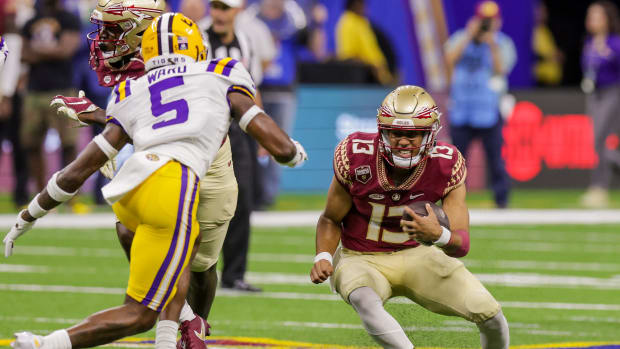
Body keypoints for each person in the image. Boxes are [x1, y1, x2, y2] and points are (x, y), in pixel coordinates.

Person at [4, 12, 307, 349]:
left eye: (114, 30)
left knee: (177, 257)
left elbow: (82, 167)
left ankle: (179, 327)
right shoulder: (220, 72)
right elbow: (258, 128)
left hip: (139, 184)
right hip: (173, 181)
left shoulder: (130, 89)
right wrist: (290, 152)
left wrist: (30, 213)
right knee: (143, 308)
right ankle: (44, 344)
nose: (105, 40)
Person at [51, 0, 244, 345]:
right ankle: (182, 322)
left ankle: (197, 323)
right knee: (131, 230)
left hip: (207, 167)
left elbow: (184, 130)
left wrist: (102, 120)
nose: (104, 38)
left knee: (201, 266)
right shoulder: (136, 65)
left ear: (140, 29)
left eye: (113, 29)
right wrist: (109, 125)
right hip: (165, 166)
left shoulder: (190, 54)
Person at [310, 85, 509, 348]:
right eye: (396, 133)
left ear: (430, 133)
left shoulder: (446, 163)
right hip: (361, 257)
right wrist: (324, 255)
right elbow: (330, 219)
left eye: (413, 134)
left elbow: (462, 243)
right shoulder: (356, 155)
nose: (403, 141)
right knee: (364, 298)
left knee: (491, 314)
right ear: (383, 131)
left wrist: (440, 235)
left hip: (418, 255)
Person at [197, 0, 264, 292]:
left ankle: (234, 274)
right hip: (204, 129)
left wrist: (261, 131)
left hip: (237, 130)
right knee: (196, 200)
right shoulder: (196, 37)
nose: (219, 13)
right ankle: (192, 269)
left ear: (237, 11)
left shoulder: (245, 40)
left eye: (225, 8)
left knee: (243, 199)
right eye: (216, 7)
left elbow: (252, 88)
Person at [444, 0, 516, 209]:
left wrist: (491, 42)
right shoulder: (460, 38)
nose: (486, 25)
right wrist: (469, 36)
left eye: (490, 21)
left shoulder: (503, 43)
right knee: (456, 161)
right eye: (483, 21)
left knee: (496, 159)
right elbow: (449, 60)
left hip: (488, 110)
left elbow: (501, 69)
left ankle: (501, 201)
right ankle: (454, 201)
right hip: (462, 109)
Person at [20, 0, 82, 196]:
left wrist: (37, 50)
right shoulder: (30, 21)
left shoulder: (69, 19)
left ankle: (72, 197)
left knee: (69, 145)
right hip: (34, 91)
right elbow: (23, 54)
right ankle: (41, 195)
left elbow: (66, 51)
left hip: (64, 91)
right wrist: (51, 50)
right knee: (31, 145)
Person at [580, 1, 620, 208]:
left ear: (607, 19)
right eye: (590, 15)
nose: (591, 20)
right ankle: (598, 187)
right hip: (593, 93)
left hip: (612, 92)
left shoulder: (615, 43)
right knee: (597, 141)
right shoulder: (589, 42)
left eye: (596, 16)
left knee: (601, 138)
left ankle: (599, 187)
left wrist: (609, 55)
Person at [335, 0, 393, 85]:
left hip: (379, 75)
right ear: (355, 4)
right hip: (367, 78)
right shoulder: (348, 22)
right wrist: (370, 67)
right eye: (362, 4)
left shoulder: (361, 21)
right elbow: (349, 56)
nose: (365, 7)